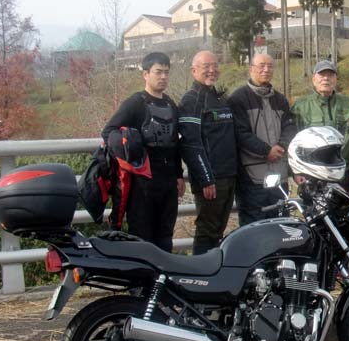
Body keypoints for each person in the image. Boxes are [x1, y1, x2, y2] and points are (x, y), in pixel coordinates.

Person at [101, 52, 185, 251]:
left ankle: (164, 271)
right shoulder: (135, 103)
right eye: (158, 72)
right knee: (142, 237)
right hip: (142, 182)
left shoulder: (170, 104)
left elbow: (174, 142)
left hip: (168, 181)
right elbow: (109, 132)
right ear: (146, 74)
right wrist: (131, 150)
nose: (163, 77)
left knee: (165, 236)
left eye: (166, 72)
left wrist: (179, 175)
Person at [178, 50, 237, 254]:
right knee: (207, 232)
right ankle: (200, 272)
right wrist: (206, 179)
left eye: (215, 65)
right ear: (193, 70)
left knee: (218, 231)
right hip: (210, 180)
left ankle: (214, 271)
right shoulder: (191, 100)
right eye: (206, 67)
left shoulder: (220, 98)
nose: (212, 70)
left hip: (229, 175)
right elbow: (190, 143)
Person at [228, 53, 296, 225]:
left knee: (281, 226)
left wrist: (280, 147)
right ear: (251, 69)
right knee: (254, 227)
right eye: (261, 66)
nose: (266, 69)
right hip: (251, 179)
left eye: (270, 66)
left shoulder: (280, 99)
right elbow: (240, 133)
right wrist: (266, 151)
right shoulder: (238, 99)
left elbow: (289, 128)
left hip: (279, 176)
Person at [291, 60, 349, 186]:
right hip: (311, 173)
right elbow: (293, 143)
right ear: (314, 79)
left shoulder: (348, 105)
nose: (326, 78)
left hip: (342, 172)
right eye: (321, 75)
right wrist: (296, 171)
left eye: (330, 75)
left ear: (336, 79)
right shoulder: (300, 106)